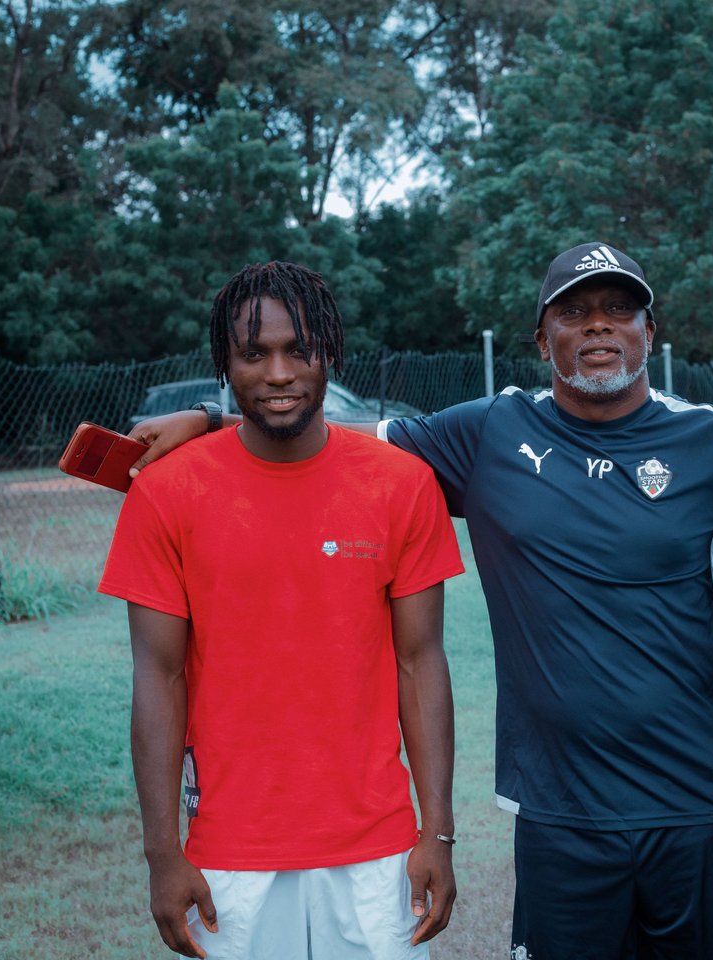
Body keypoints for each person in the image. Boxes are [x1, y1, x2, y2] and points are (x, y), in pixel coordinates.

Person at [128, 242, 713, 960]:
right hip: (559, 811)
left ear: (650, 332)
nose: (598, 327)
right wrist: (211, 418)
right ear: (540, 338)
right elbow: (325, 435)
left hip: (701, 804)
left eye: (619, 311)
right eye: (574, 313)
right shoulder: (487, 433)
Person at [99, 261, 464, 960]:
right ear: (224, 363)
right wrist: (162, 853)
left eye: (299, 350)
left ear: (330, 354)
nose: (278, 373)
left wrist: (437, 833)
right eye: (254, 353)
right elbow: (158, 677)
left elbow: (421, 663)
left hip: (378, 853)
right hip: (228, 855)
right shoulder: (166, 492)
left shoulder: (401, 484)